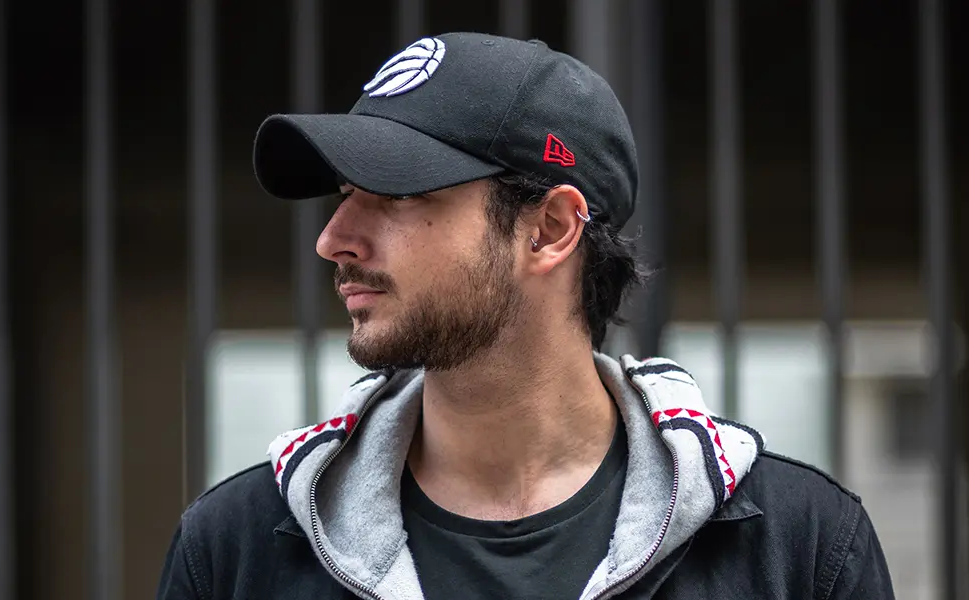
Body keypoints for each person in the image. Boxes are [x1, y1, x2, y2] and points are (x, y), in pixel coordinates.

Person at [157, 32, 894, 599]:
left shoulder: (799, 548)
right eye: (346, 193)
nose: (333, 239)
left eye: (398, 193)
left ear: (549, 229)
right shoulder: (236, 550)